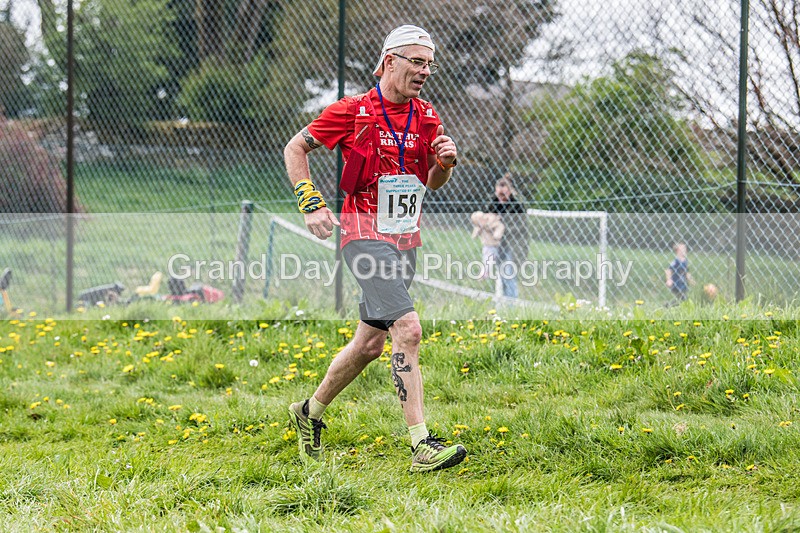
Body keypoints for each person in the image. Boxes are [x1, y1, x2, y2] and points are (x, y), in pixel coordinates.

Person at [283, 24, 466, 472]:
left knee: (369, 345)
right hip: (362, 236)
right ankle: (421, 444)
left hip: (406, 239)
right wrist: (311, 203)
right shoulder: (352, 111)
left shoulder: (426, 117)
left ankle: (310, 412)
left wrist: (446, 163)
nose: (425, 71)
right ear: (390, 62)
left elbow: (431, 181)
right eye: (416, 62)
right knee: (409, 329)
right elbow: (295, 148)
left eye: (429, 64)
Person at [485, 174, 529, 298]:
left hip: (514, 244)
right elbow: (488, 217)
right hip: (498, 244)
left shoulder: (517, 205)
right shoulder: (493, 202)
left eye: (504, 195)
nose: (501, 198)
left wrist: (502, 227)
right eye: (499, 194)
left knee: (509, 275)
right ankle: (503, 305)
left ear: (510, 191)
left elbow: (520, 226)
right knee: (501, 276)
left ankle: (511, 306)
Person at [470, 211, 505, 279]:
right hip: (486, 245)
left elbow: (500, 227)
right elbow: (475, 233)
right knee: (486, 258)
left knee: (489, 258)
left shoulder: (492, 222)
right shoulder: (480, 226)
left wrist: (497, 235)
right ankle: (486, 271)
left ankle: (486, 272)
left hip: (494, 244)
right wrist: (476, 233)